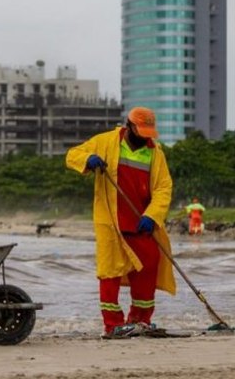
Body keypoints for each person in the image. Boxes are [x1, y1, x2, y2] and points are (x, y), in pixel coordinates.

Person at [65, 107, 175, 339]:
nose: (145, 136)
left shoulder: (156, 153)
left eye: (148, 132)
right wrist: (88, 159)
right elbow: (72, 155)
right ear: (129, 126)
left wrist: (152, 215)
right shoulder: (105, 141)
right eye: (141, 130)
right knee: (109, 272)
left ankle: (140, 321)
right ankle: (113, 325)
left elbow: (164, 188)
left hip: (141, 222)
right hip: (111, 222)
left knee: (149, 266)